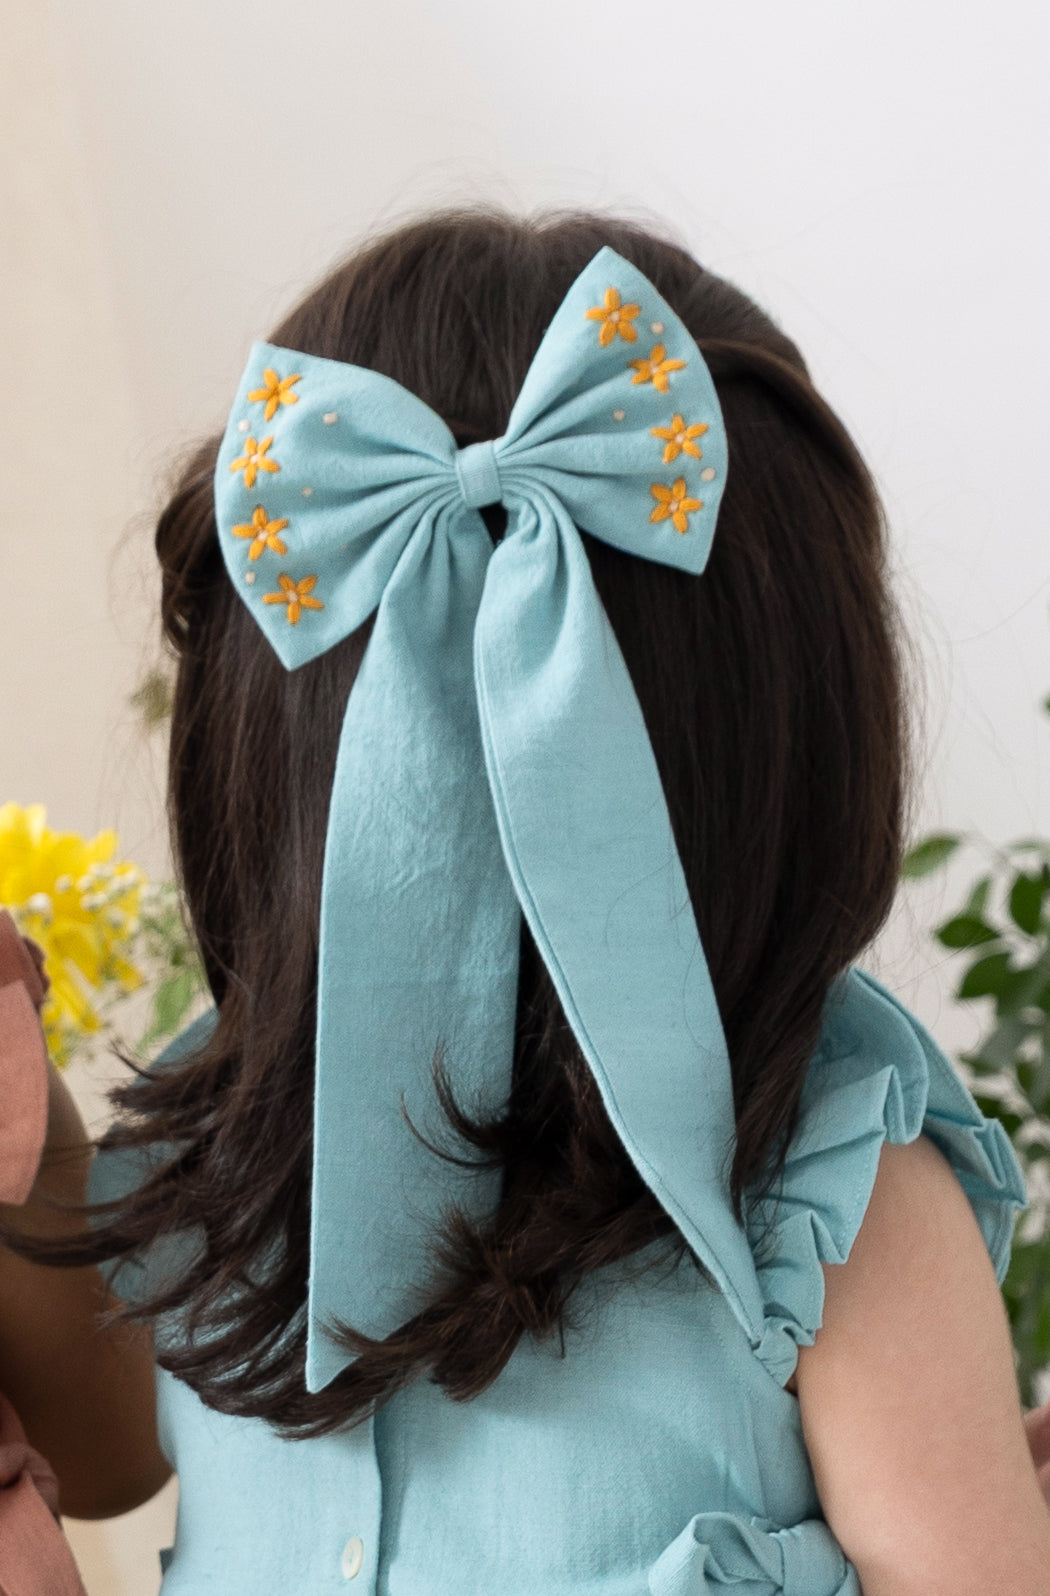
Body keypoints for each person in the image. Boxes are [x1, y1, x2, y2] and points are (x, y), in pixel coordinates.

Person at [4, 209, 1050, 1594]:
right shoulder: (234, 1147)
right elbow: (96, 1442)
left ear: (260, 762)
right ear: (793, 747)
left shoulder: (829, 1183)